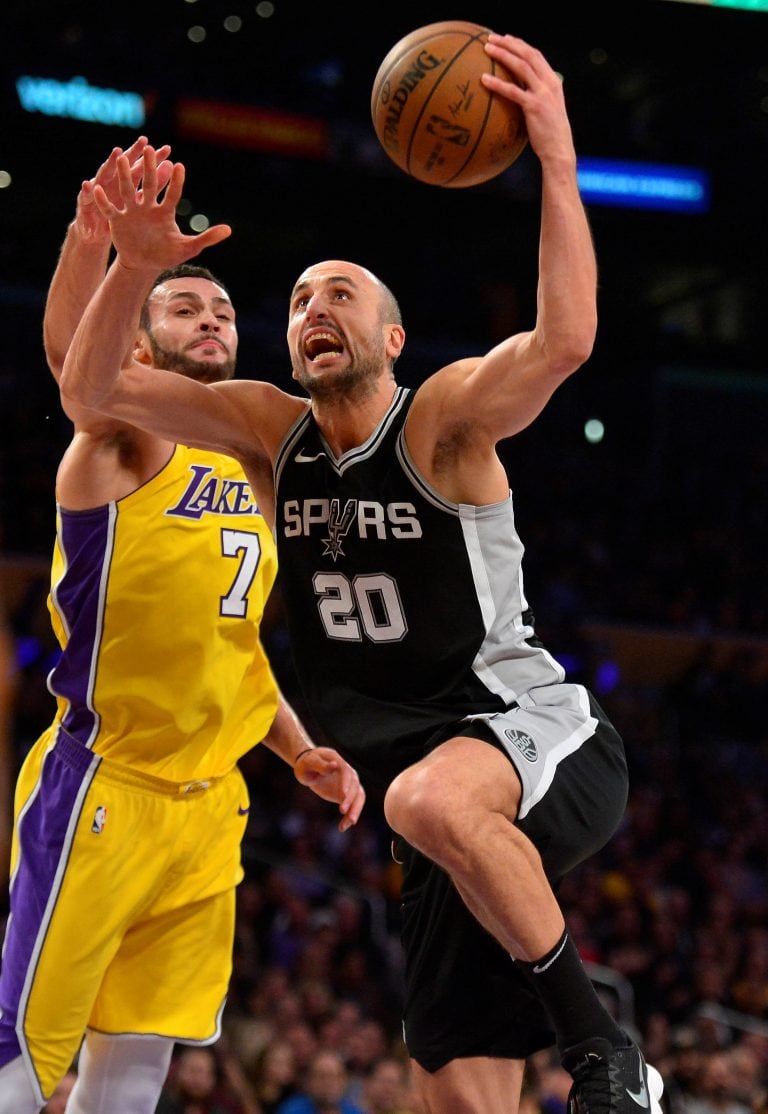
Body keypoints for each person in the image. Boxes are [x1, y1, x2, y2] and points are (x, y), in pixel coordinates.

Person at [57, 33, 665, 1114]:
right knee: (456, 1095)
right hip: (433, 821)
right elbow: (91, 390)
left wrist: (559, 160)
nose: (313, 309)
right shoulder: (265, 432)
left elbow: (564, 339)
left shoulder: (442, 423)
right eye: (296, 300)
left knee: (429, 796)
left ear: (391, 332)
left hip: (534, 735)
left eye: (340, 294)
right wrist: (135, 265)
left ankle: (609, 1050)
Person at [0, 142, 365, 1114]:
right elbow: (75, 368)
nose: (212, 317)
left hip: (209, 808)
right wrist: (115, 254)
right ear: (139, 342)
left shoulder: (255, 463)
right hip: (104, 783)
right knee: (21, 1060)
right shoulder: (124, 435)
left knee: (136, 1067)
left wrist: (296, 749)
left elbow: (235, 645)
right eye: (184, 306)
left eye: (223, 309)